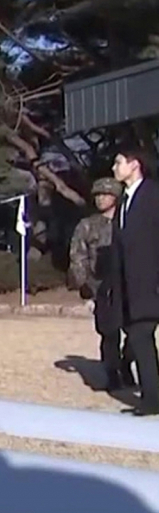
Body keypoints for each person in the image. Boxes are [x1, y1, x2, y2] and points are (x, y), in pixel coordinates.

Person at [108, 138, 159, 416]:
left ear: (134, 165)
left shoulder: (152, 196)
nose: (114, 167)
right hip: (130, 288)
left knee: (141, 337)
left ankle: (152, 399)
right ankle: (152, 395)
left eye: (118, 162)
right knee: (139, 339)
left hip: (150, 285)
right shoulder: (124, 202)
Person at [69, 177, 134, 391]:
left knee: (137, 332)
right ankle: (112, 372)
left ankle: (127, 363)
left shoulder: (128, 221)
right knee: (109, 333)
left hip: (130, 284)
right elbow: (78, 255)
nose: (100, 199)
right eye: (97, 195)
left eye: (105, 195)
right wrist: (84, 284)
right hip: (101, 286)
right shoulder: (87, 225)